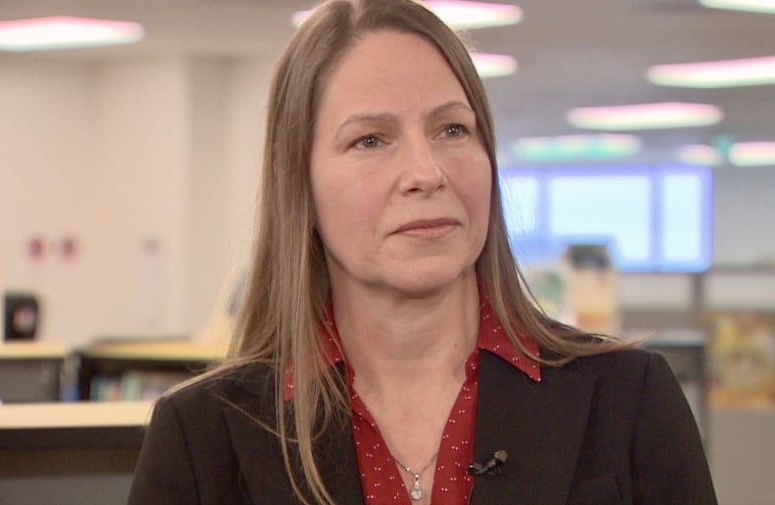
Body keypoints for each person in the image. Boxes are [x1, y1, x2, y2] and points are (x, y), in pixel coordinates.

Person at [128, 0, 717, 504]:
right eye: (370, 140)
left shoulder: (628, 397)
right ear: (299, 184)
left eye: (452, 130)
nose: (424, 172)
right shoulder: (204, 435)